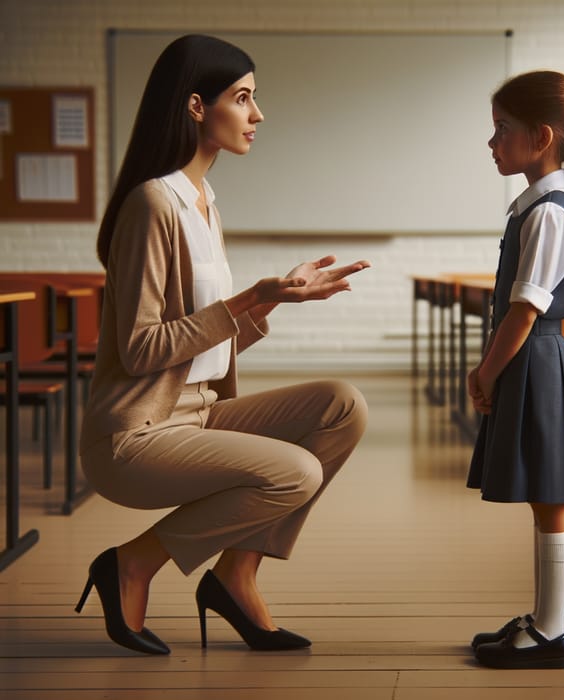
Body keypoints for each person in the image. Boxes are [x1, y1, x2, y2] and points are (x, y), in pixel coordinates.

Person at [75, 34, 370, 656]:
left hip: (198, 409)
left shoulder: (203, 200)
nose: (257, 115)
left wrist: (272, 301)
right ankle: (131, 563)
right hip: (136, 434)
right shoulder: (154, 203)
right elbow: (139, 350)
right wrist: (244, 301)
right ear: (195, 107)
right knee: (295, 473)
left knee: (342, 406)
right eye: (243, 99)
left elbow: (202, 345)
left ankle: (236, 575)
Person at [466, 70, 564, 669]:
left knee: (551, 496)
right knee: (543, 497)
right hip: (533, 360)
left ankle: (552, 634)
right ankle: (542, 622)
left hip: (538, 360)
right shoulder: (539, 206)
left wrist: (485, 372)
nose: (492, 142)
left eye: (502, 130)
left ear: (543, 137)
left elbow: (524, 312)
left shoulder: (550, 214)